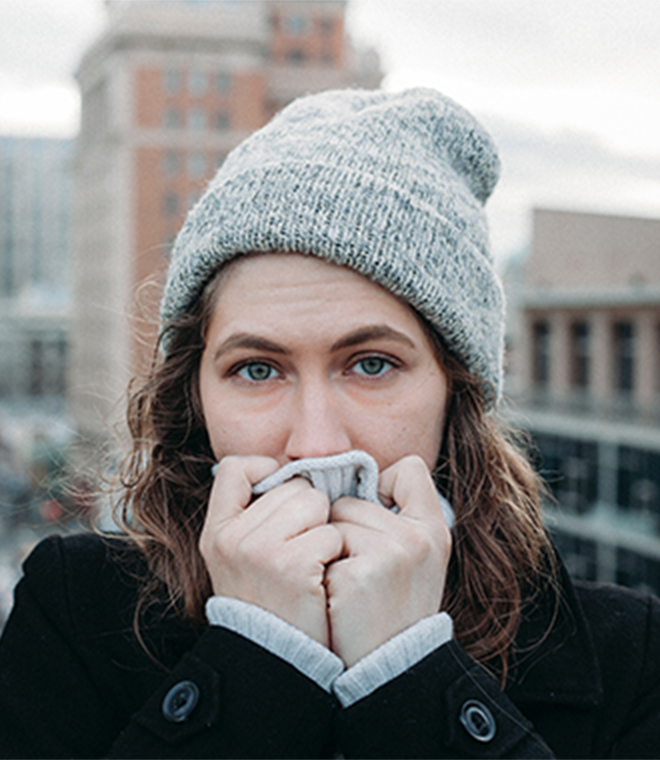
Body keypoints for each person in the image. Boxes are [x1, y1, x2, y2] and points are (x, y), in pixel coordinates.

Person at [1, 88, 659, 760]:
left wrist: (411, 675)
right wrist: (256, 660)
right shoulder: (76, 612)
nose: (314, 444)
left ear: (456, 394)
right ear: (192, 397)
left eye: (371, 364)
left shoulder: (629, 657)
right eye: (258, 369)